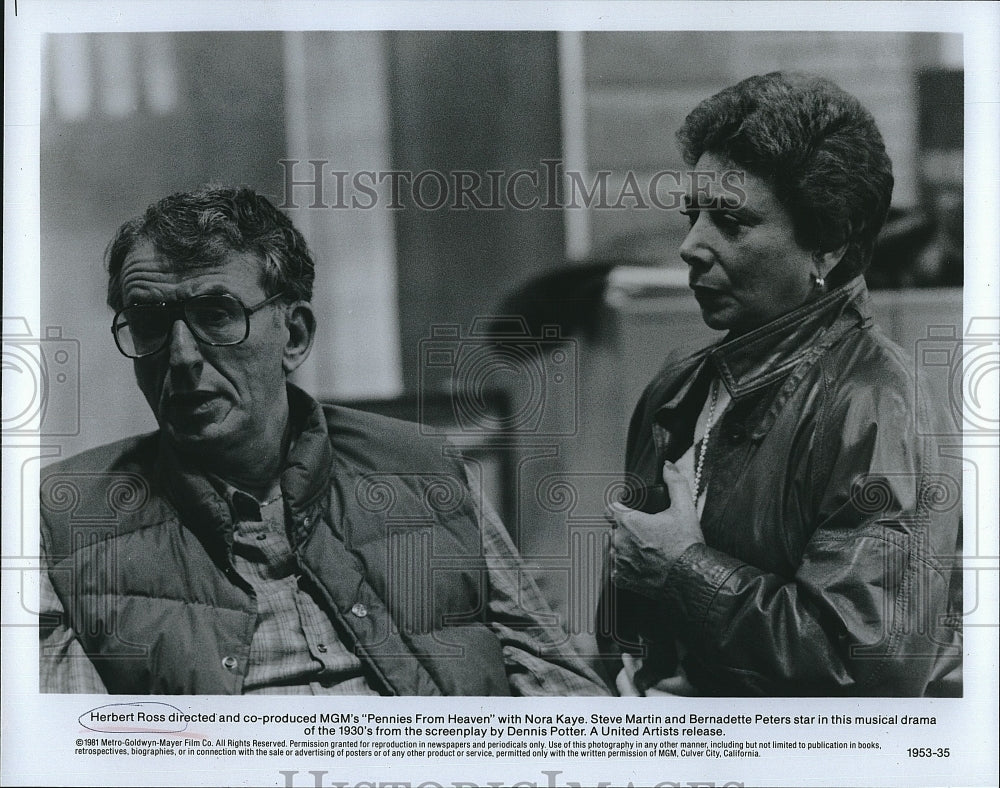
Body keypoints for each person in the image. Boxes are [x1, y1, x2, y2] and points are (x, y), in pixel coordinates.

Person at [39, 185, 608, 696]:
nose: (182, 356)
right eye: (151, 323)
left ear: (295, 335)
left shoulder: (422, 465)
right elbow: (78, 752)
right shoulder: (66, 516)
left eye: (217, 315)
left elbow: (563, 694)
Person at [599, 72, 962, 697]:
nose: (691, 245)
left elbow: (871, 664)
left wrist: (685, 571)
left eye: (732, 223)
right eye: (694, 215)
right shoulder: (678, 389)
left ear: (827, 247)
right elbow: (628, 626)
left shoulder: (878, 405)